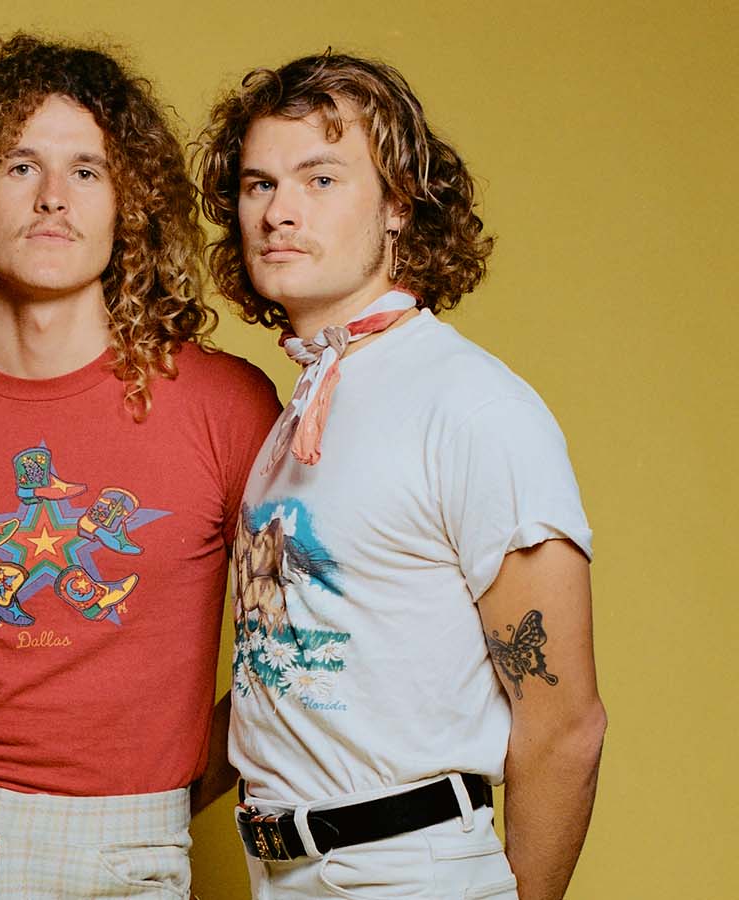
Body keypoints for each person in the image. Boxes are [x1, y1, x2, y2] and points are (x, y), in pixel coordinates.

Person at [0, 35, 281, 899]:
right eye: (19, 165)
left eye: (88, 171)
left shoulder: (228, 408)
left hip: (135, 839)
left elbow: (291, 649)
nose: (52, 199)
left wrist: (168, 794)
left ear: (129, 207)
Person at [193, 52, 606, 899]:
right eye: (259, 184)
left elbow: (564, 725)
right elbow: (290, 675)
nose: (279, 212)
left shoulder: (471, 405)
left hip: (404, 869)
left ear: (397, 207)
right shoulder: (298, 412)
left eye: (320, 179)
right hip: (278, 869)